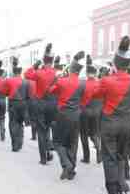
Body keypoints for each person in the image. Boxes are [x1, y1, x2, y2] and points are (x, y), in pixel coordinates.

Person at [93, 36, 130, 194]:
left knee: (109, 158)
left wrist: (105, 77)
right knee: (121, 156)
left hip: (109, 124)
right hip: (126, 125)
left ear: (115, 63)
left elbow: (95, 94)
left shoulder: (106, 80)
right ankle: (121, 184)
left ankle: (113, 189)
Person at [50, 51, 86, 180]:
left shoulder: (62, 81)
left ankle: (67, 165)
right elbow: (85, 100)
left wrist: (57, 77)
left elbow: (51, 90)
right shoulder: (83, 83)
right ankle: (71, 170)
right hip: (76, 115)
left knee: (58, 142)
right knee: (73, 143)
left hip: (63, 114)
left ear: (70, 69)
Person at [25, 43, 56, 165]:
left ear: (44, 61)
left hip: (41, 104)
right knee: (48, 128)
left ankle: (44, 157)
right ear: (52, 61)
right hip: (52, 105)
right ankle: (49, 150)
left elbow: (27, 74)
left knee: (42, 131)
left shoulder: (39, 72)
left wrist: (35, 65)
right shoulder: (56, 73)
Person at [2, 57, 30, 152]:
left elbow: (4, 93)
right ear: (20, 72)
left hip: (13, 104)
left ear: (13, 72)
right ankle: (20, 142)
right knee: (20, 124)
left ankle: (15, 144)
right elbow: (28, 96)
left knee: (13, 124)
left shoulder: (8, 81)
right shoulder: (26, 82)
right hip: (23, 104)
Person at [80, 55, 102, 164]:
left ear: (87, 73)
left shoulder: (83, 84)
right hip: (97, 112)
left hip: (85, 112)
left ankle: (86, 157)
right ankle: (99, 150)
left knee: (84, 135)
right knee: (95, 134)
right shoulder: (100, 84)